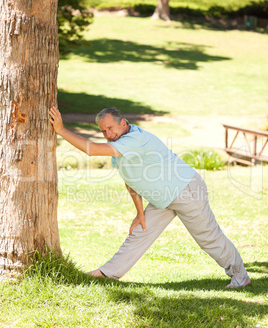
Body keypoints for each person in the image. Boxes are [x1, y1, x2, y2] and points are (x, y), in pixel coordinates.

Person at [49, 106, 251, 288]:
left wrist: (61, 130)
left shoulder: (134, 140)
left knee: (208, 237)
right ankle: (106, 273)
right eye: (103, 131)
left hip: (185, 189)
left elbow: (91, 150)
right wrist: (139, 213)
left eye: (111, 128)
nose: (108, 134)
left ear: (123, 123)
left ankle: (240, 277)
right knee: (140, 233)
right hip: (163, 197)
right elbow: (131, 180)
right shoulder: (120, 144)